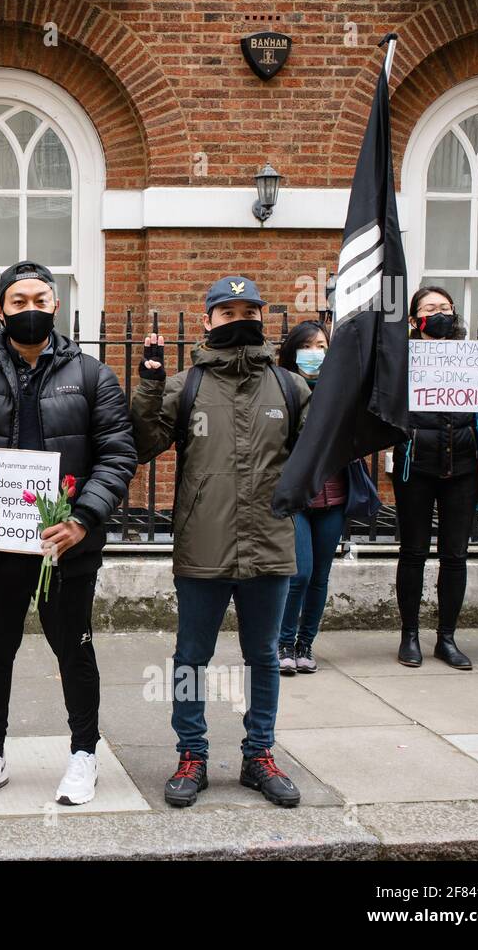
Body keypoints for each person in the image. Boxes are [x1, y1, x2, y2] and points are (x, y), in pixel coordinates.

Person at [0, 260, 137, 808]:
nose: (30, 310)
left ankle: (84, 753)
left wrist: (83, 518)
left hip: (67, 543)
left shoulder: (92, 375)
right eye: (18, 302)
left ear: (56, 305)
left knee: (75, 649)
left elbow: (117, 454)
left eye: (40, 299)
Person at [130, 276, 309, 809]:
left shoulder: (290, 388)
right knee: (190, 657)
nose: (238, 319)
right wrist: (147, 385)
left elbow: (315, 458)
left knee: (264, 657)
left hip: (270, 545)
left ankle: (260, 756)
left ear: (261, 317)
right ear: (206, 321)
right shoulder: (185, 385)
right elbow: (144, 445)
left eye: (247, 310)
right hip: (202, 544)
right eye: (226, 312)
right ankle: (191, 755)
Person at [392, 285, 478, 670]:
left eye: (446, 307)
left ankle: (446, 637)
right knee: (413, 552)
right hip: (416, 464)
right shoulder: (402, 360)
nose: (440, 313)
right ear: (414, 320)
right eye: (431, 308)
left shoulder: (473, 359)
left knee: (455, 555)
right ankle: (409, 635)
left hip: (463, 464)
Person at [275, 321, 343, 675]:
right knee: (299, 571)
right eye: (308, 345)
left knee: (320, 575)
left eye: (322, 346)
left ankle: (305, 643)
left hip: (334, 493)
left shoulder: (341, 390)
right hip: (297, 496)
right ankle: (284, 642)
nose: (316, 353)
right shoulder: (281, 387)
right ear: (292, 351)